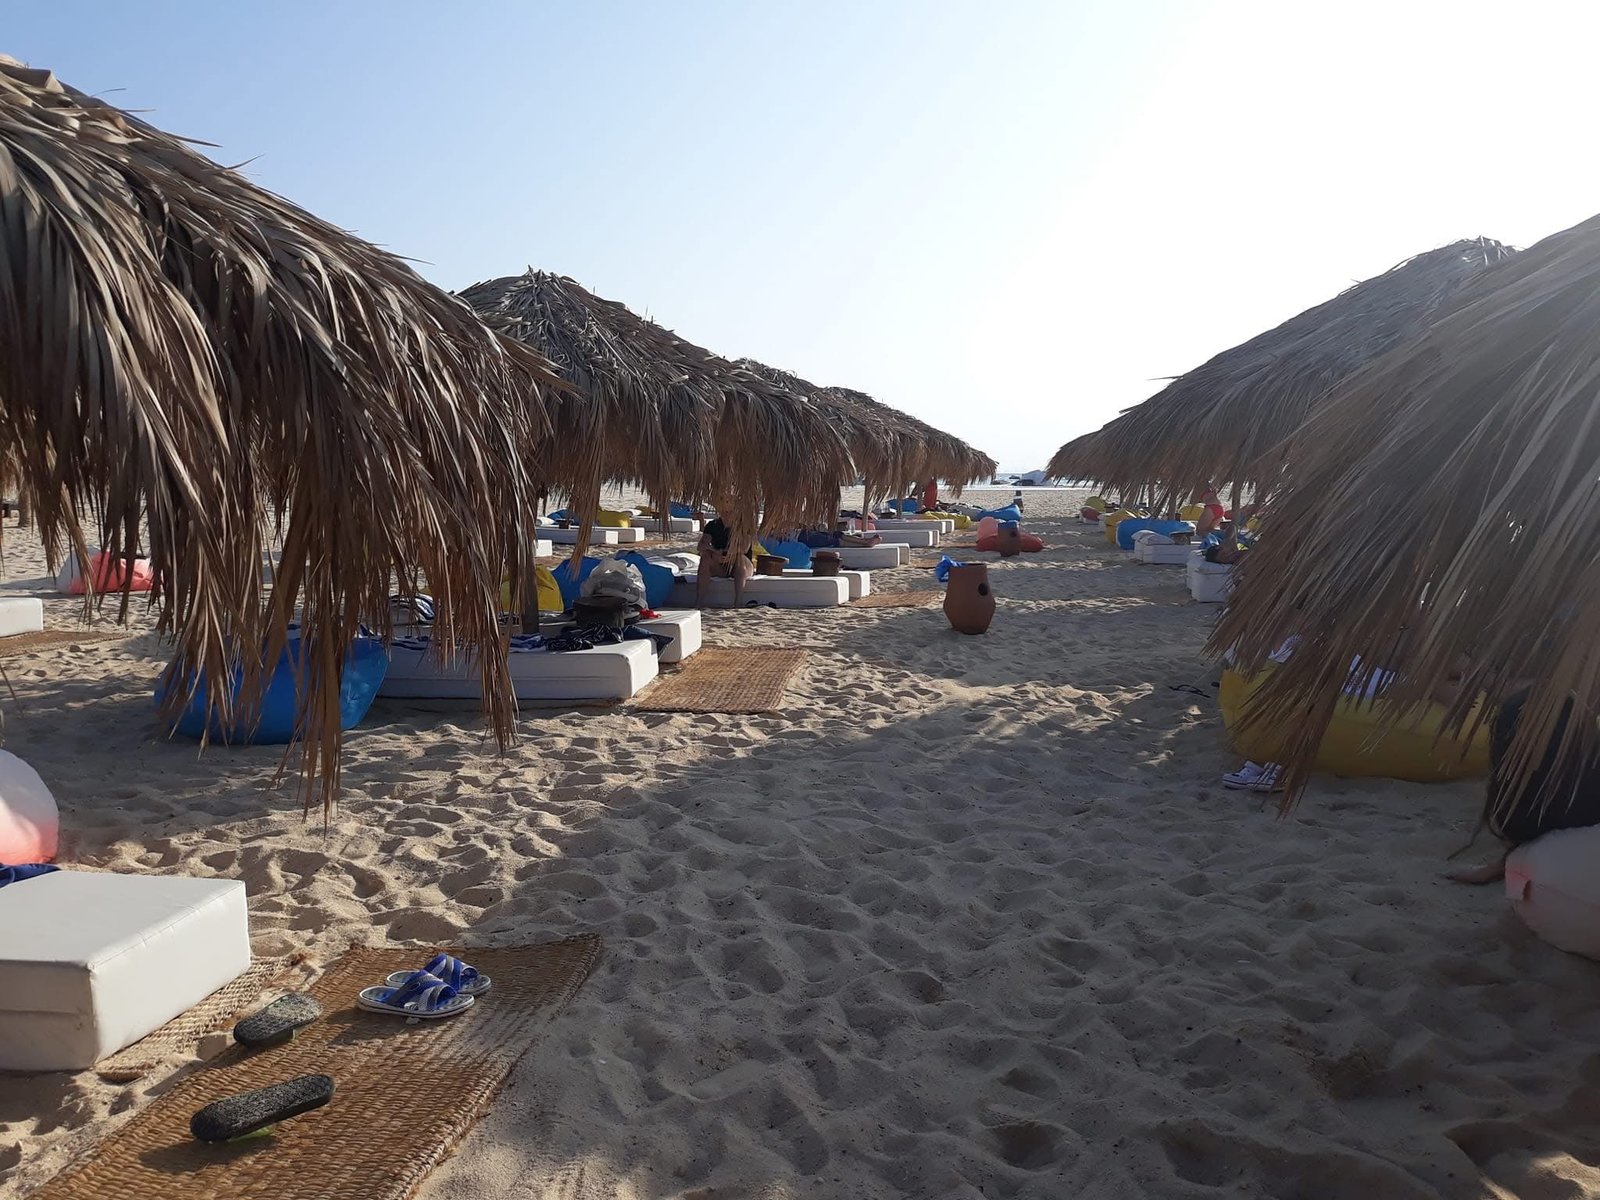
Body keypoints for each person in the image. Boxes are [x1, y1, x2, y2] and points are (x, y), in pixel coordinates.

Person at [695, 516, 754, 608]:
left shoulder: (744, 525)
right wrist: (715, 552)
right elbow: (701, 546)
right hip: (721, 565)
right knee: (705, 558)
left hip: (741, 566)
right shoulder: (713, 525)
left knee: (739, 558)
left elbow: (744, 548)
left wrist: (730, 554)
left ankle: (737, 602)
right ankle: (698, 602)